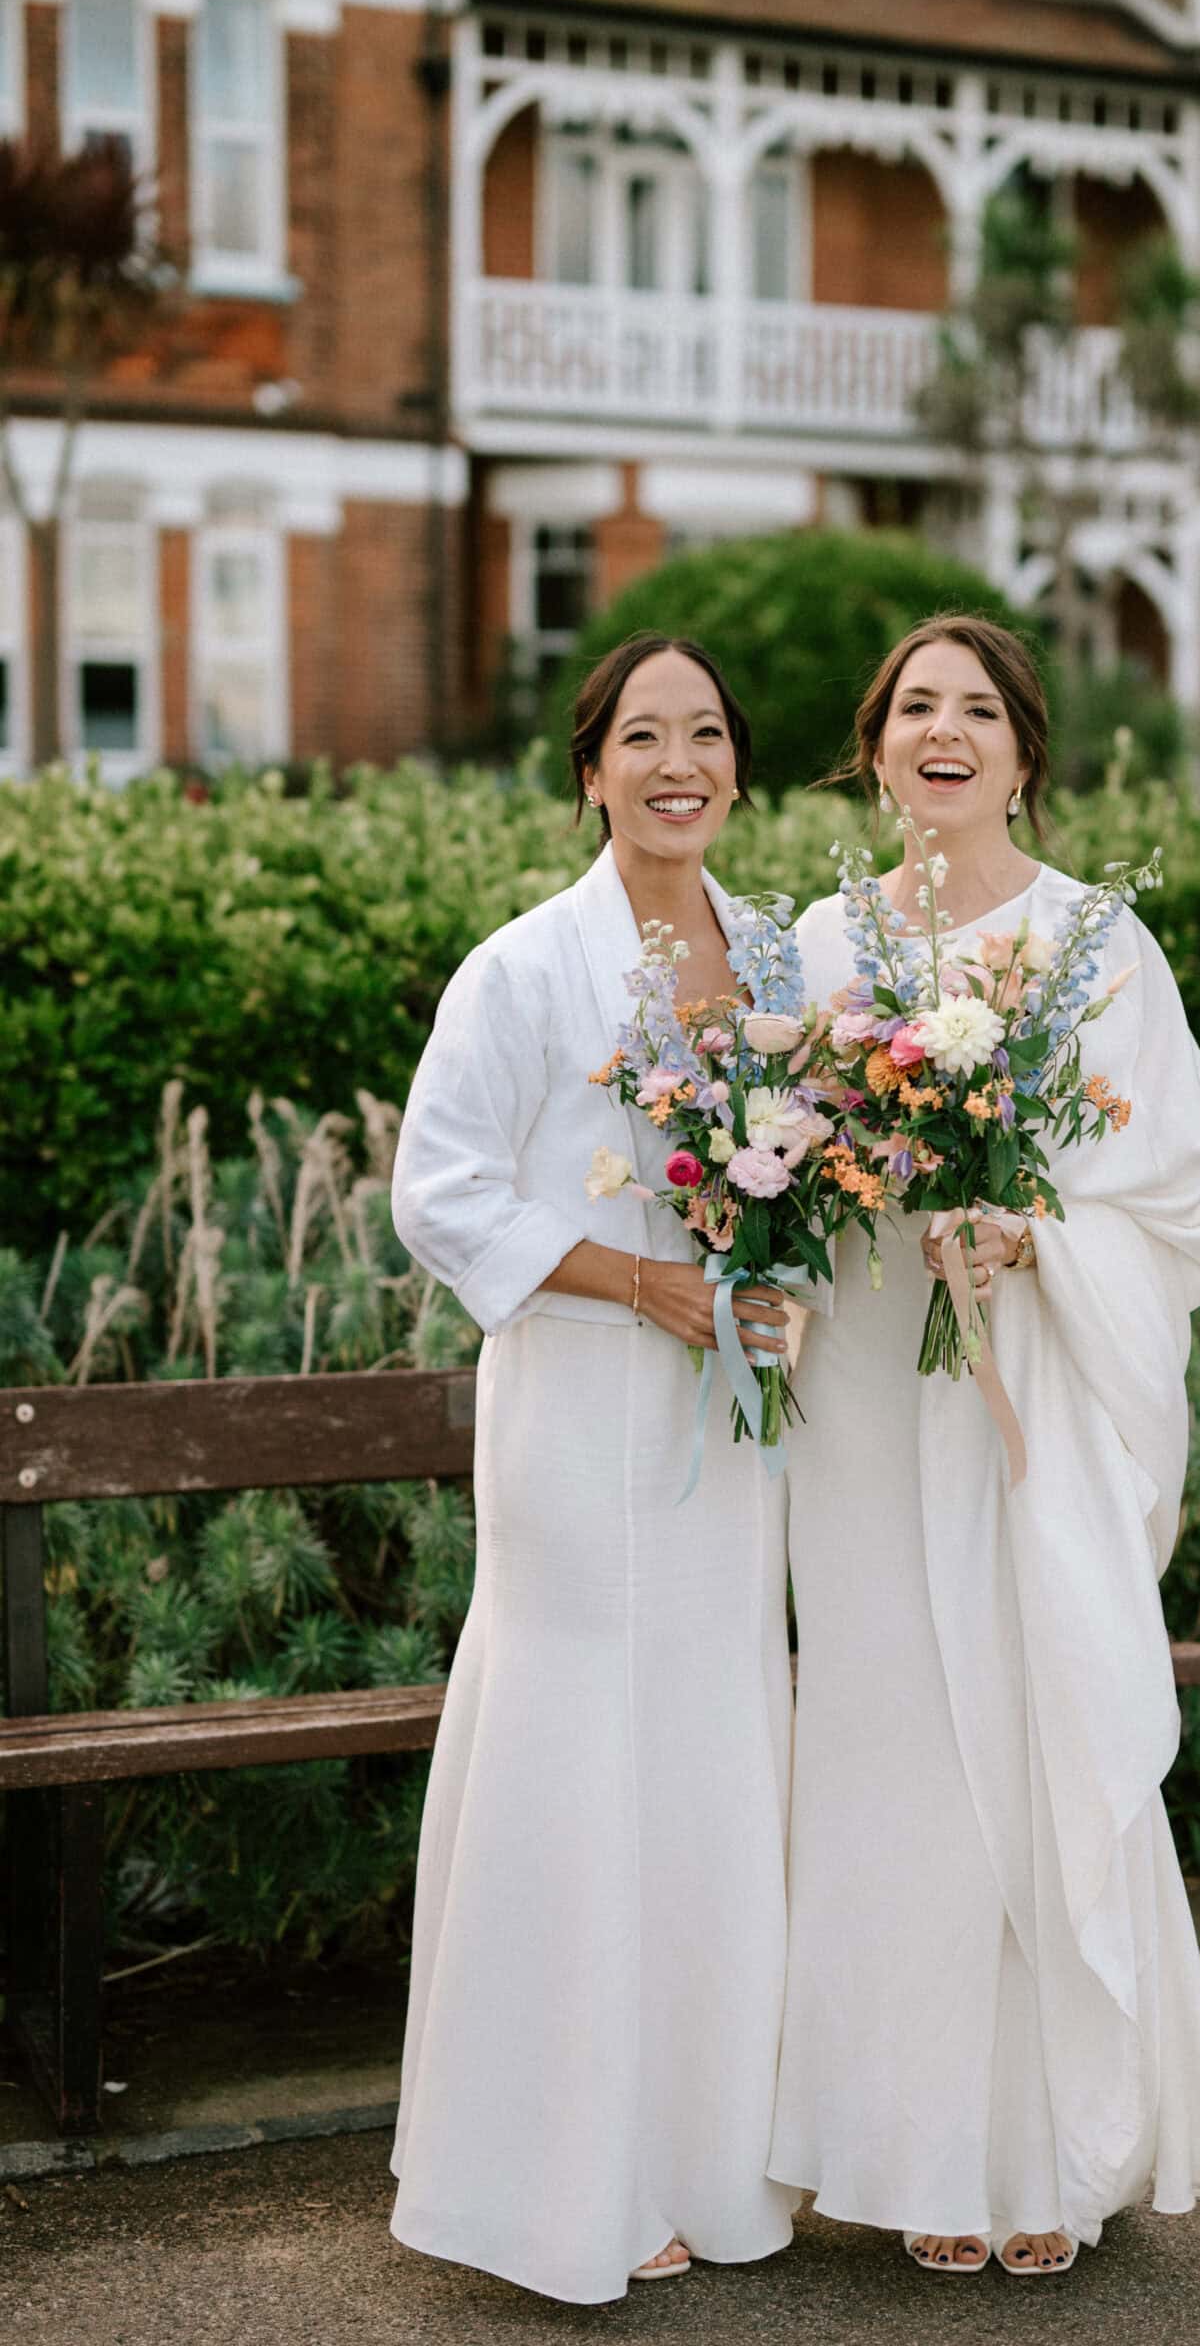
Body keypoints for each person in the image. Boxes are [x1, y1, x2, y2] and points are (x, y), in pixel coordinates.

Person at [769, 613, 1200, 2276]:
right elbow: (772, 1158)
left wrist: (1035, 1231)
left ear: (1026, 755)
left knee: (1038, 1734)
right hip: (867, 1409)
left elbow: (1183, 1187)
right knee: (893, 1749)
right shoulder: (820, 948)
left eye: (978, 709)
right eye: (915, 706)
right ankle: (917, 2157)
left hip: (1027, 1395)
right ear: (875, 745)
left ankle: (1050, 2150)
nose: (944, 731)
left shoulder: (1094, 943)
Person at [386, 634, 799, 2305]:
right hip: (575, 1415)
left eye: (704, 733)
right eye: (643, 735)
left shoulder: (773, 955)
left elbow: (805, 1178)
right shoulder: (522, 968)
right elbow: (443, 1190)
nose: (675, 761)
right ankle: (558, 2184)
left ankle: (704, 2158)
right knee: (576, 1768)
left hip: (730, 1428)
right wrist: (637, 1283)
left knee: (708, 1768)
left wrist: (776, 1278)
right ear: (590, 769)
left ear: (734, 771)